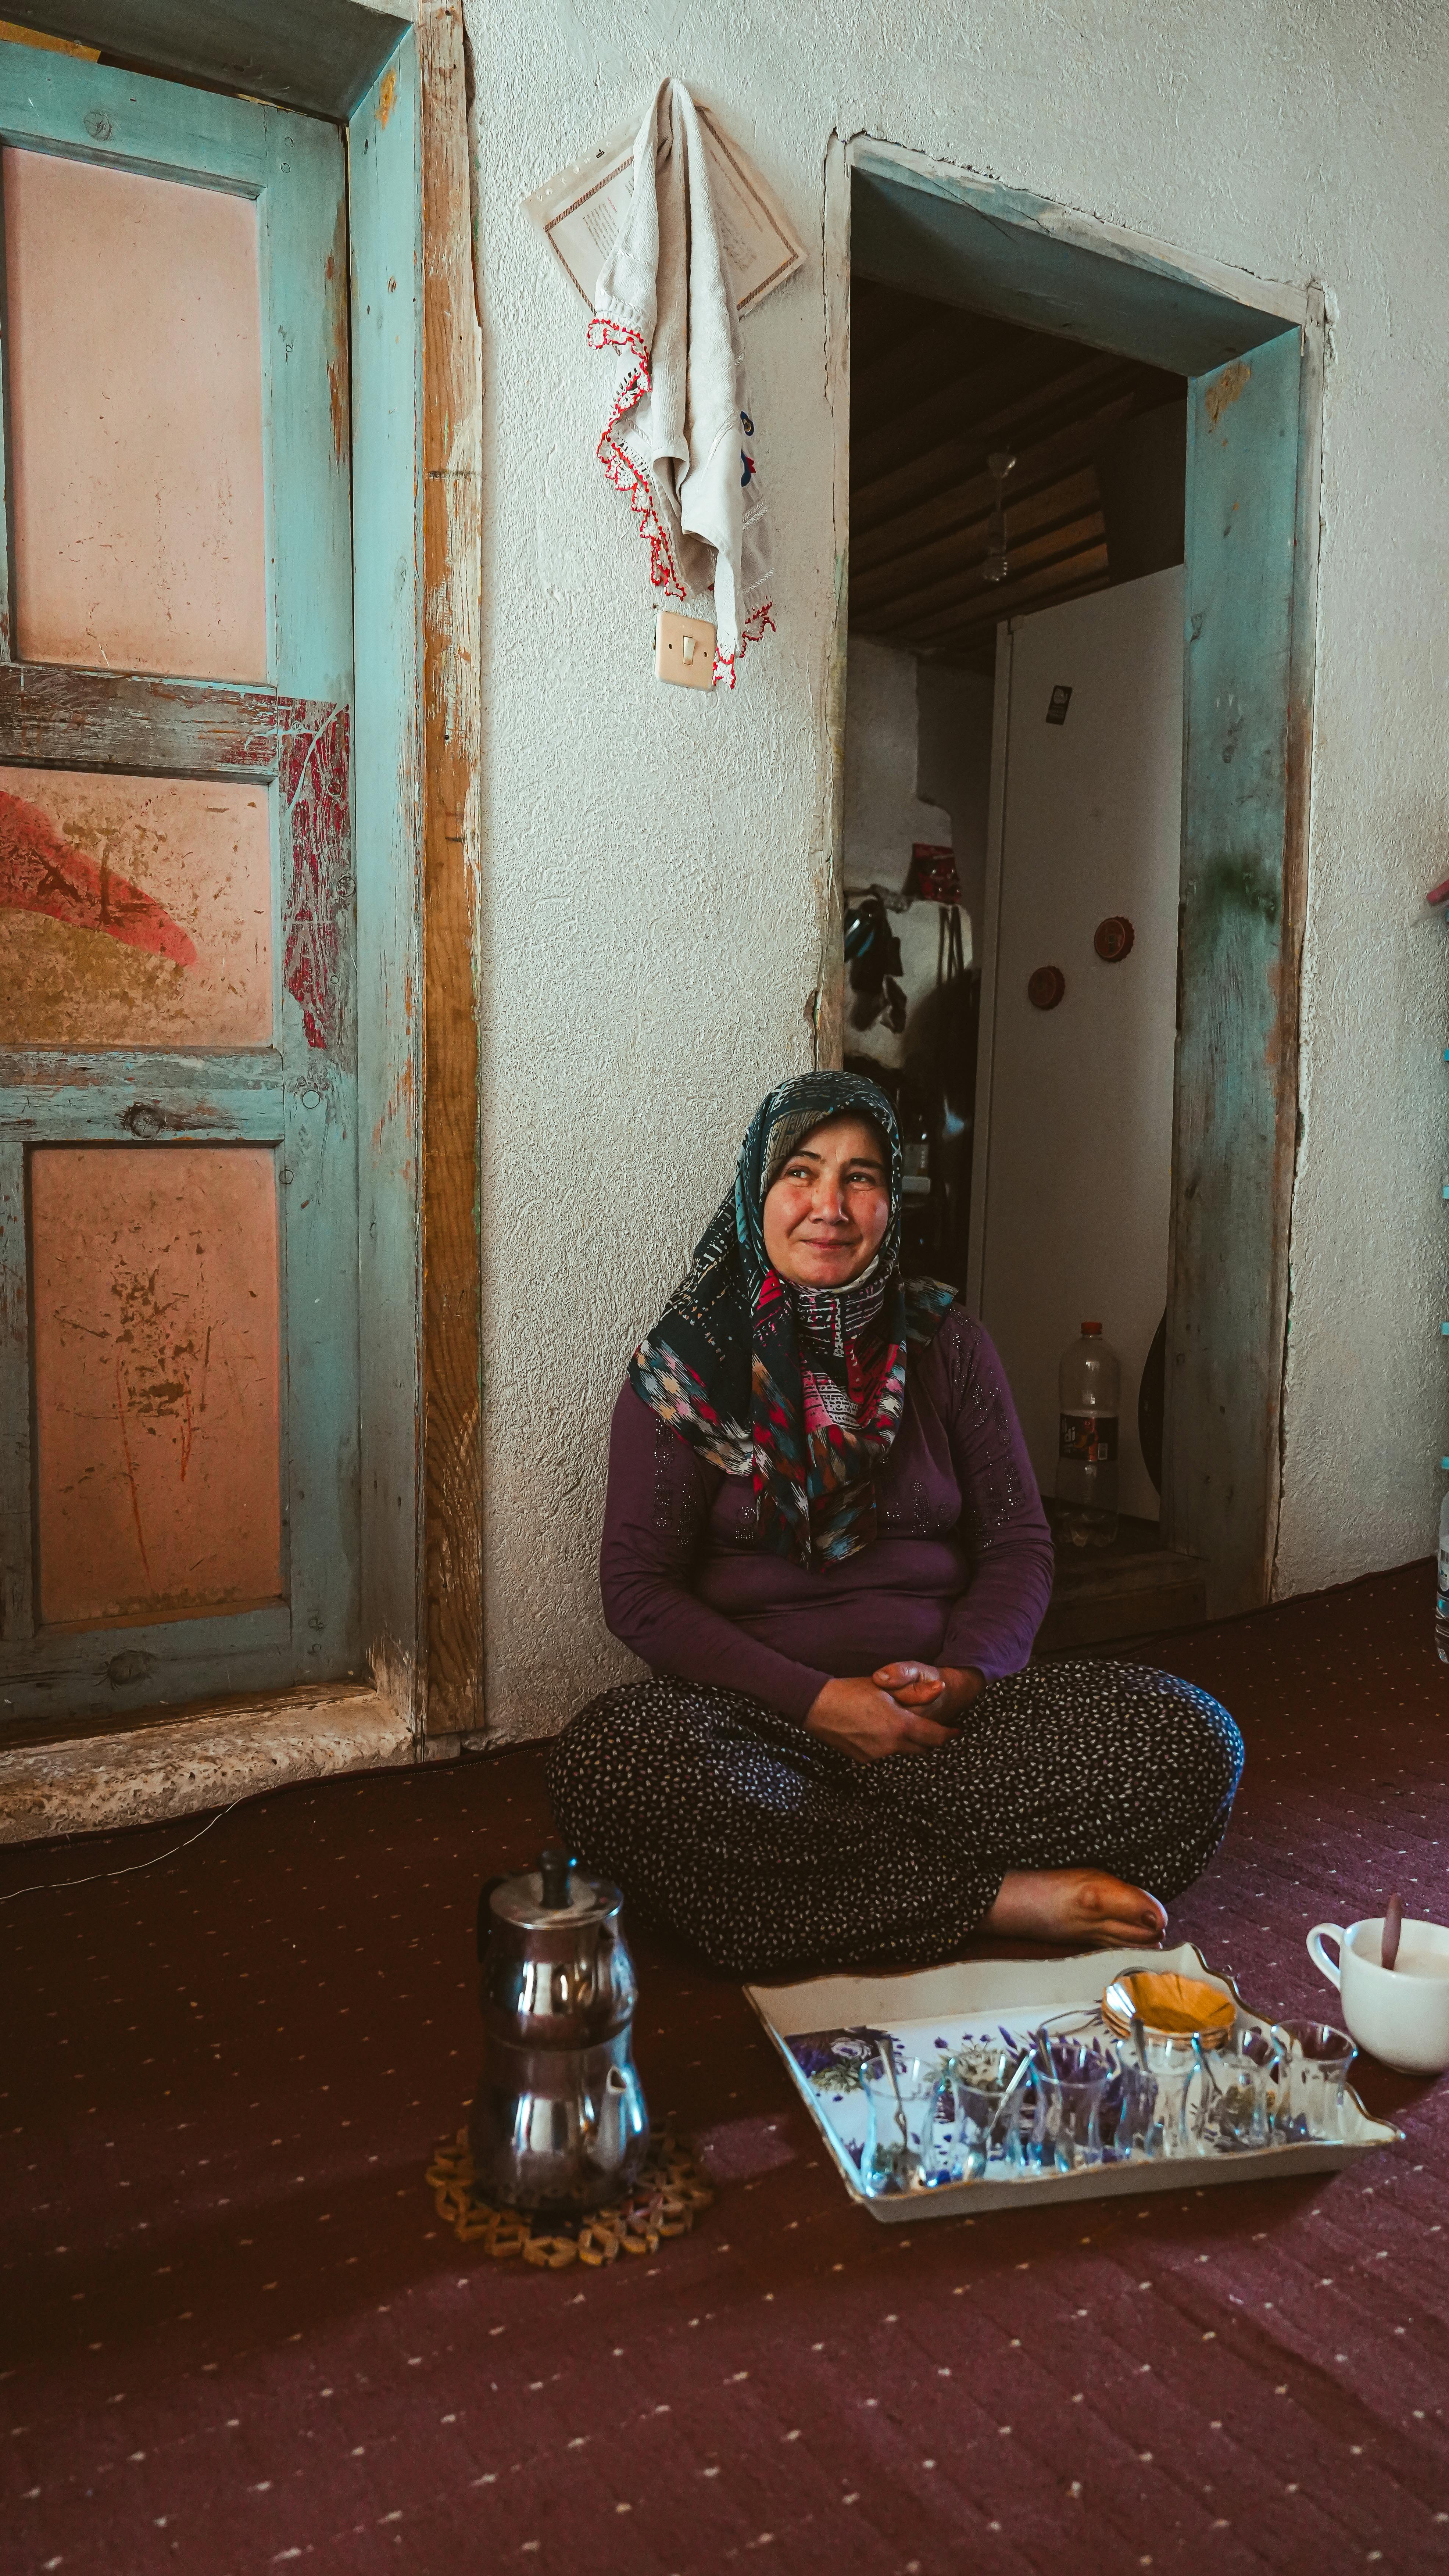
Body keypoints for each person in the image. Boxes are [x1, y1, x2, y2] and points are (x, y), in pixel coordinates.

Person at [548, 1071, 1242, 1981]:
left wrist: (962, 1678)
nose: (830, 1206)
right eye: (802, 1171)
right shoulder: (688, 1364)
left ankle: (837, 1885)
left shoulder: (945, 1342)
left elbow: (1019, 1544)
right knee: (611, 1765)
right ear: (759, 1188)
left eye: (863, 1177)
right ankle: (1007, 1898)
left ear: (891, 1201)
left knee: (1193, 1741)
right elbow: (639, 1595)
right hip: (757, 1726)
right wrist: (822, 1704)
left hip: (948, 1734)